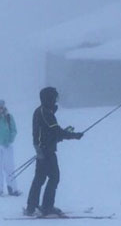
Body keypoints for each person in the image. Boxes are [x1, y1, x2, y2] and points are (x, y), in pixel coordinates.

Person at [24, 87, 83, 216]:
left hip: (43, 149)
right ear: (49, 98)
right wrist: (74, 135)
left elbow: (50, 133)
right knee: (54, 177)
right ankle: (47, 206)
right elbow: (56, 131)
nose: (56, 100)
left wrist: (61, 136)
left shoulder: (43, 111)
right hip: (46, 151)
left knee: (40, 178)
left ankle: (31, 206)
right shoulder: (45, 113)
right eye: (54, 97)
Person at [0, 100, 21, 197]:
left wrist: (9, 140)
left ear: (4, 108)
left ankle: (13, 189)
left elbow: (14, 130)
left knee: (9, 167)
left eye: (1, 107)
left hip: (7, 146)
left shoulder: (9, 117)